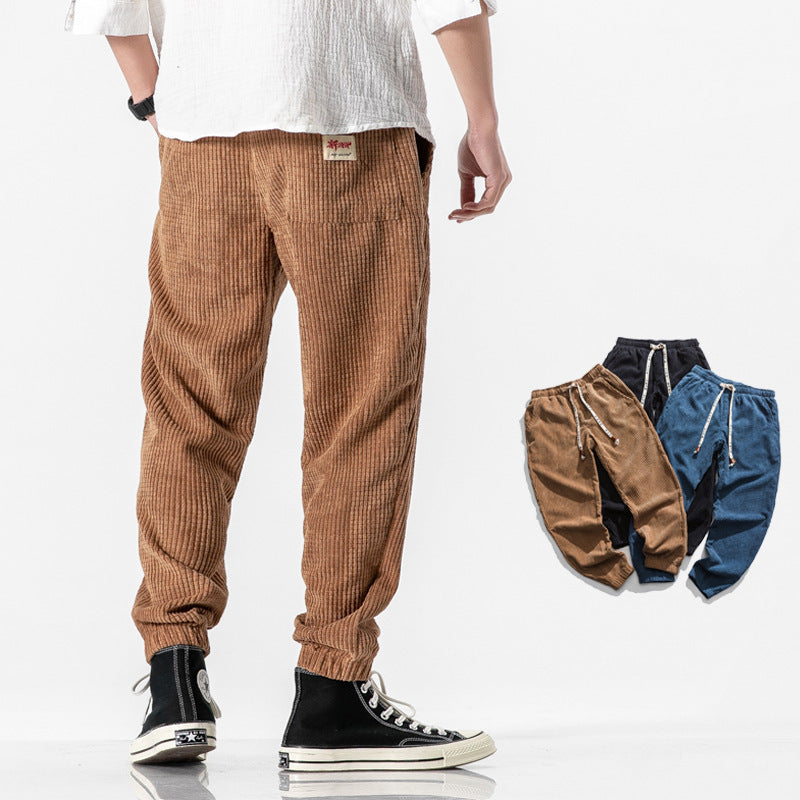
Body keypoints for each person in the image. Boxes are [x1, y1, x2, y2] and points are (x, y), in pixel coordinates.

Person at [65, 0, 511, 771]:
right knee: (360, 405)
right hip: (347, 115)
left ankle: (174, 679)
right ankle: (332, 693)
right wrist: (484, 118)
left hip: (203, 136)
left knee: (190, 406)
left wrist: (159, 101)